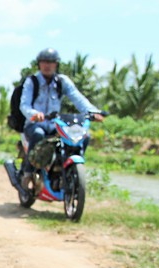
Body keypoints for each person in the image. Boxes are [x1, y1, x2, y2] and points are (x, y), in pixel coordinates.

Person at [19, 48, 103, 178]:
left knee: (84, 136)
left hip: (55, 125)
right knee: (38, 134)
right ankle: (28, 172)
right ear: (39, 64)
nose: (47, 65)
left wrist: (93, 112)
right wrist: (34, 114)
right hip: (34, 124)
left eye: (51, 62)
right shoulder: (32, 82)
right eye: (44, 62)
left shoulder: (62, 81)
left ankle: (68, 171)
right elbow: (24, 105)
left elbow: (78, 98)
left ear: (56, 64)